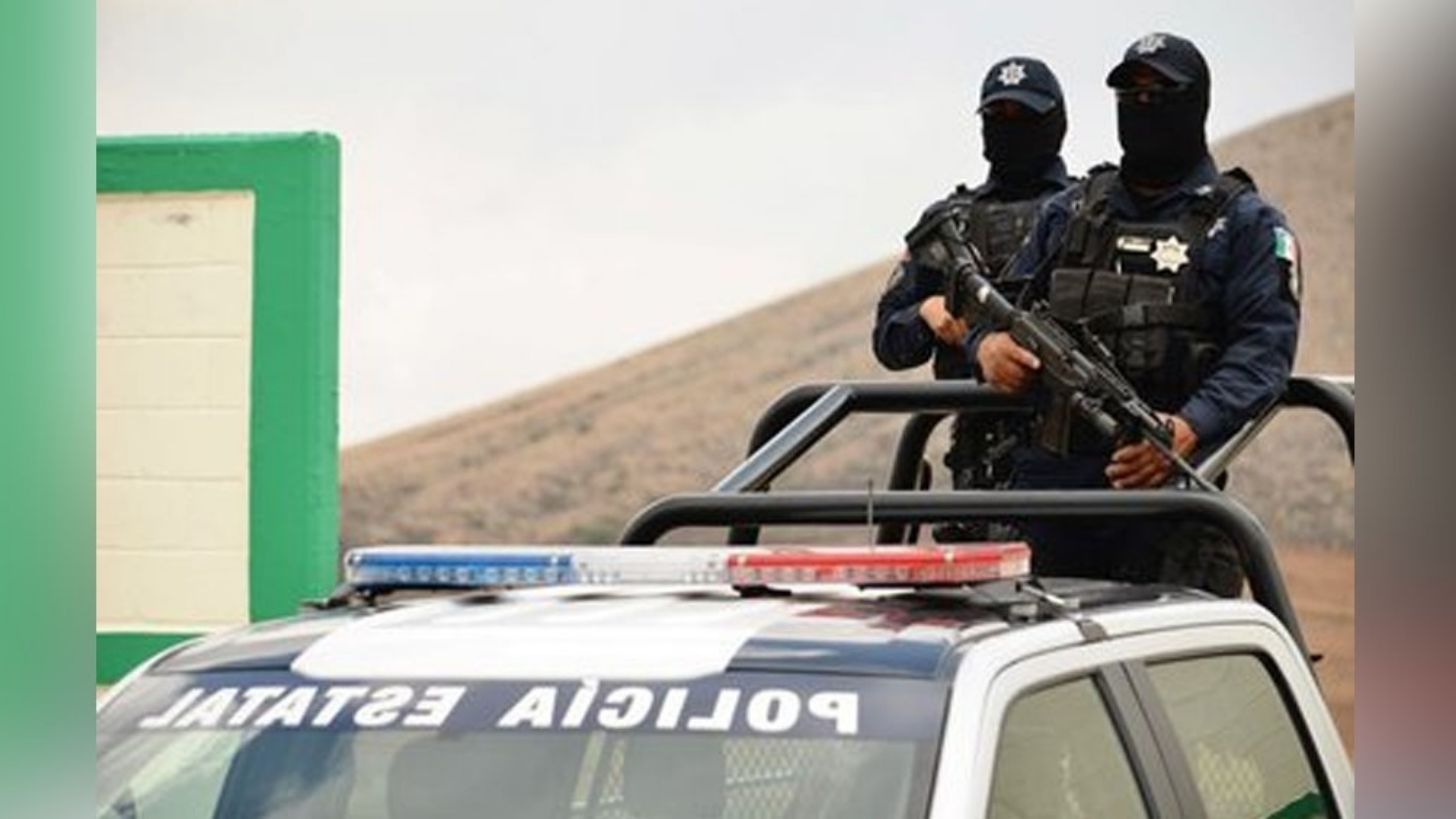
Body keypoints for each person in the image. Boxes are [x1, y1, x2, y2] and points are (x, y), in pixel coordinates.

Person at [971, 32, 1302, 596]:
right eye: (1131, 95)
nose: (1142, 107)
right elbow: (998, 305)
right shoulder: (1071, 211)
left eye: (1159, 94)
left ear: (1195, 104)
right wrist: (985, 347)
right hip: (1047, 504)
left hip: (1168, 506)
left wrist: (1189, 427)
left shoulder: (1244, 225)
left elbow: (1263, 352)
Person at [873, 56, 1073, 540]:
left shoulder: (1090, 212)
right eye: (997, 116)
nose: (1010, 128)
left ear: (1055, 122)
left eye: (1024, 117)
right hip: (979, 473)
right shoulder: (950, 224)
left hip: (1077, 464)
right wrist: (926, 313)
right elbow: (888, 343)